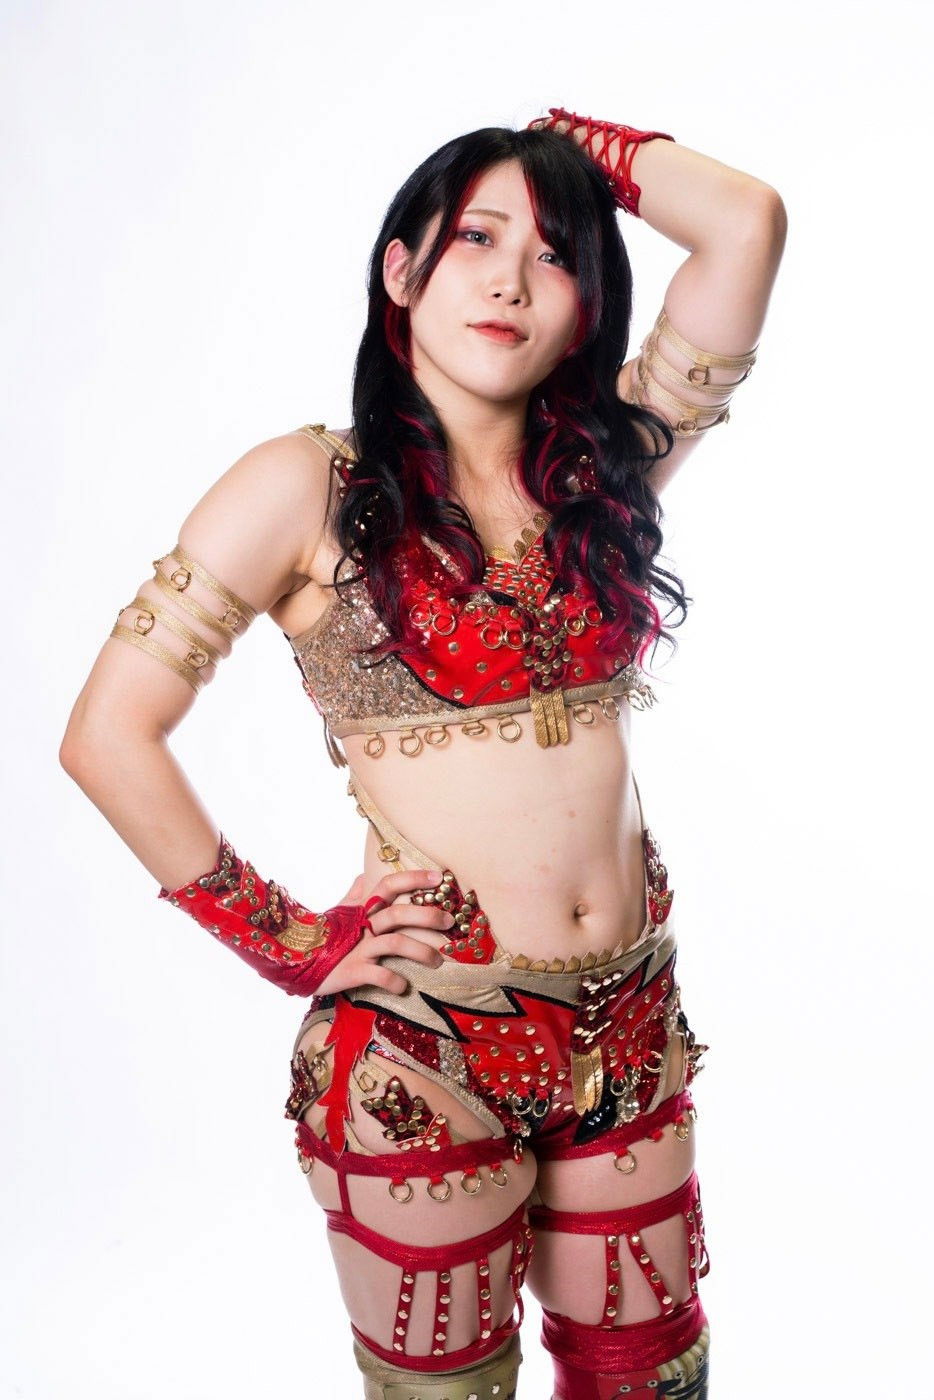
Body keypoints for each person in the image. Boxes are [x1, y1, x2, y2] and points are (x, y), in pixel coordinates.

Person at [60, 106, 785, 1399]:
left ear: (587, 304)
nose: (510, 281)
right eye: (475, 238)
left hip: (626, 1025)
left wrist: (566, 145)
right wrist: (291, 941)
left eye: (554, 254)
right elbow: (109, 733)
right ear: (399, 272)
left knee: (653, 1378)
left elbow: (744, 222)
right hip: (423, 1045)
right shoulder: (304, 485)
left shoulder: (606, 474)